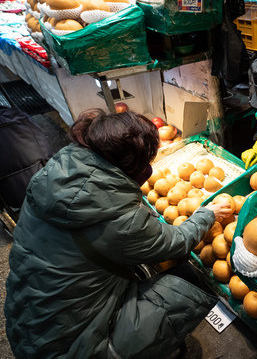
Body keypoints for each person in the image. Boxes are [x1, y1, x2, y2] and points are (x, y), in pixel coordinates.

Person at [4, 109, 233, 358]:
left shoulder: (51, 175)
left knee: (136, 268)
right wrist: (206, 215)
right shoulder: (121, 220)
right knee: (187, 281)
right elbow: (176, 242)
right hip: (71, 349)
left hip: (26, 328)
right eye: (145, 162)